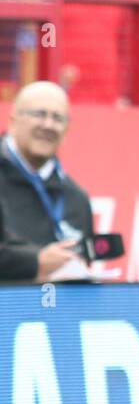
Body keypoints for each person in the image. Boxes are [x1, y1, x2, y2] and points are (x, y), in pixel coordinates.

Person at [0, 82, 91, 282]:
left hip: (54, 313)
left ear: (67, 129)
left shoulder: (77, 198)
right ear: (14, 120)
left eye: (58, 118)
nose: (48, 125)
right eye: (39, 114)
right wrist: (35, 261)